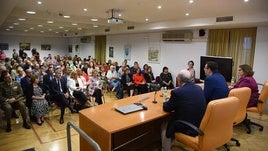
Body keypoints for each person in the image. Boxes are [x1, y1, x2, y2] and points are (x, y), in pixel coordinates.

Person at [162, 70, 206, 151]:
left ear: (179, 80)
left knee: (164, 124)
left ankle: (165, 149)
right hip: (200, 123)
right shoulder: (198, 88)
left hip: (188, 126)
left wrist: (165, 102)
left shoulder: (177, 92)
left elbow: (167, 108)